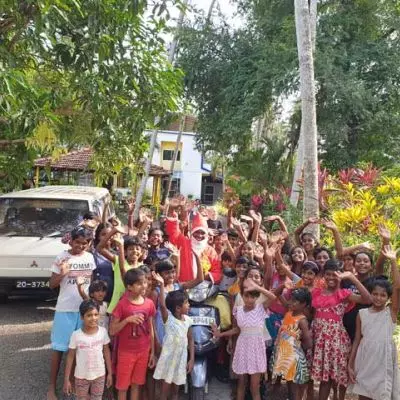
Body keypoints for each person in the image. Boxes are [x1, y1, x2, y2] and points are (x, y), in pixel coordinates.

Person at [47, 226, 96, 400]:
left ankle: (72, 384)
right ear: (71, 241)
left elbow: (91, 282)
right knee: (59, 349)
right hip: (65, 310)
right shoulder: (62, 257)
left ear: (89, 243)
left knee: (77, 349)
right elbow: (51, 284)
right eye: (77, 242)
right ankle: (52, 388)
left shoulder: (90, 257)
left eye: (84, 243)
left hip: (83, 310)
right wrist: (63, 273)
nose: (80, 246)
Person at [311, 260, 372, 400]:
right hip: (321, 341)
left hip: (336, 341)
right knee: (324, 380)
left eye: (335, 275)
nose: (331, 278)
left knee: (335, 377)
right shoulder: (316, 293)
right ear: (323, 275)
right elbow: (313, 314)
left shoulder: (343, 294)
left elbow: (367, 300)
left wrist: (352, 277)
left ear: (340, 276)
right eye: (328, 274)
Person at [348, 245, 400, 400]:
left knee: (382, 393)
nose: (378, 298)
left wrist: (393, 261)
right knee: (363, 393)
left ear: (388, 298)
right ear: (369, 294)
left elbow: (397, 287)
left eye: (383, 295)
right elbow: (357, 339)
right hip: (365, 358)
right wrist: (350, 364)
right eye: (375, 294)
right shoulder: (362, 313)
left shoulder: (390, 312)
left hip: (383, 359)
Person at [212, 279, 276, 400]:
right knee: (241, 383)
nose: (249, 299)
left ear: (256, 297)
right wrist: (220, 334)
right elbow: (237, 329)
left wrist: (257, 287)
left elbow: (272, 297)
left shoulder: (260, 308)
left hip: (256, 348)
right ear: (242, 295)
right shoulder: (238, 311)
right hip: (243, 347)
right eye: (246, 296)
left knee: (254, 386)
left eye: (253, 297)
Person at [110, 269, 156, 400]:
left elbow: (151, 328)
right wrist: (126, 320)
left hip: (143, 351)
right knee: (123, 387)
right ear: (129, 287)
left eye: (145, 282)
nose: (144, 286)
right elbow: (112, 331)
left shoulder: (149, 304)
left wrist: (152, 352)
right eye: (139, 283)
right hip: (126, 353)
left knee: (137, 384)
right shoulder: (122, 305)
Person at [152, 273, 195, 399]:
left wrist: (191, 359)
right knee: (164, 390)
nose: (189, 305)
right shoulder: (168, 319)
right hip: (168, 359)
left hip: (181, 360)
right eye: (186, 303)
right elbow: (162, 305)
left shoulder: (188, 320)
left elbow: (191, 339)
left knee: (176, 391)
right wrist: (161, 284)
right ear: (177, 308)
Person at [63, 300, 112, 400]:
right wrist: (67, 379)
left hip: (100, 375)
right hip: (81, 376)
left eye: (96, 314)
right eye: (89, 315)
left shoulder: (103, 332)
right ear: (82, 317)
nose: (93, 318)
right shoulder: (76, 335)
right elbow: (70, 357)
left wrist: (110, 373)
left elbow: (106, 352)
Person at [272, 288, 313, 400]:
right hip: (283, 353)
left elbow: (308, 343)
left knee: (293, 385)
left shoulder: (302, 320)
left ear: (304, 304)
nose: (291, 302)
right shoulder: (289, 313)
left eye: (296, 301)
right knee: (285, 379)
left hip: (293, 356)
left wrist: (296, 348)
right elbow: (278, 294)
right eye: (291, 299)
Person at [165, 210, 222, 283]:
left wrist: (207, 275)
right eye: (197, 232)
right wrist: (172, 214)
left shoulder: (211, 251)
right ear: (192, 233)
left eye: (202, 233)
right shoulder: (184, 243)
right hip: (183, 285)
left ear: (207, 234)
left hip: (202, 290)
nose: (199, 235)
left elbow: (217, 271)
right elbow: (174, 233)